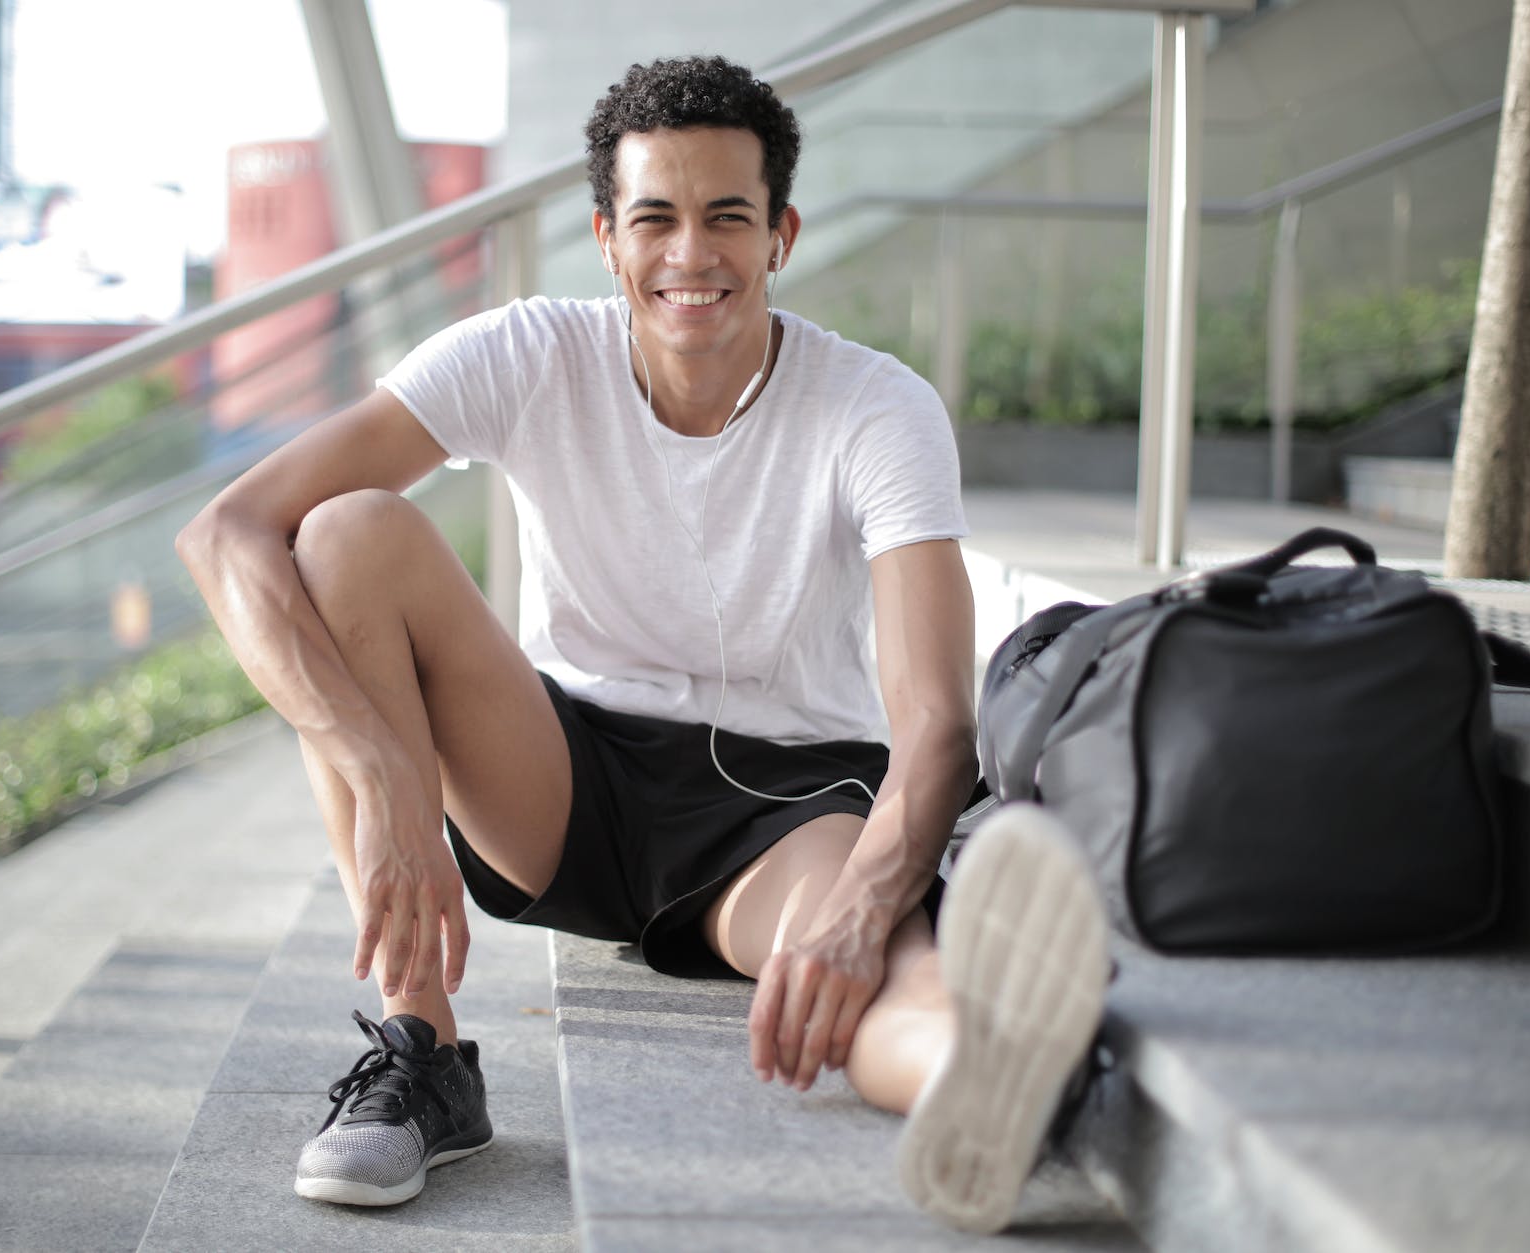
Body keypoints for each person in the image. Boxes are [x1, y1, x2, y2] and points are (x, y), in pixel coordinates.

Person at [176, 54, 1109, 1235]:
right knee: (349, 531)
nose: (690, 254)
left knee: (866, 979)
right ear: (606, 237)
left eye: (728, 216)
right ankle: (424, 1052)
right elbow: (228, 533)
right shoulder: (525, 352)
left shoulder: (876, 407)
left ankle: (999, 1087)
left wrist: (869, 896)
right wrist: (379, 771)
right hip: (564, 776)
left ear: (781, 234)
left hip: (788, 804)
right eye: (655, 218)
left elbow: (933, 721)